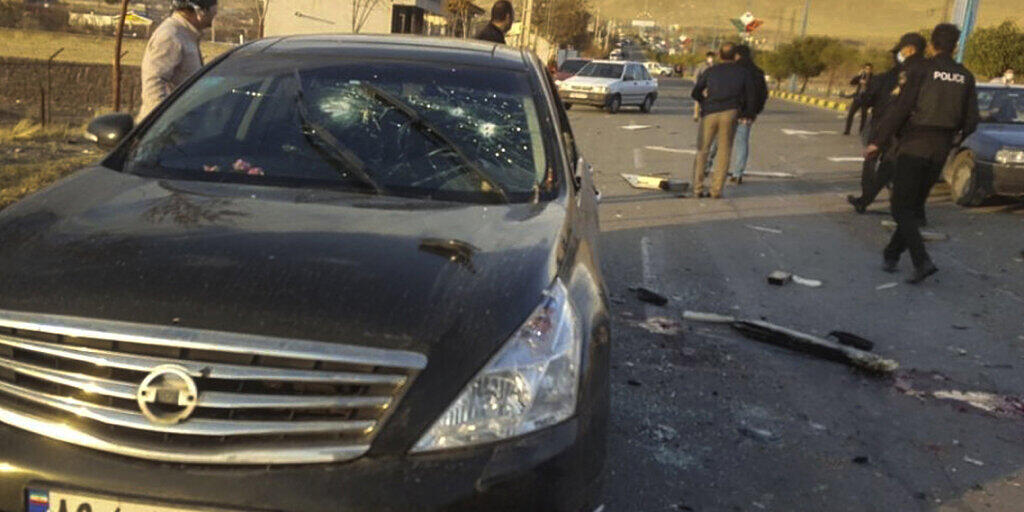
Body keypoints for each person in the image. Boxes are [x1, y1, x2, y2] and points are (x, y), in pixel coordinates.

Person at [866, 23, 979, 284]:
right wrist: (954, 139)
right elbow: (972, 120)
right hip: (941, 147)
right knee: (913, 206)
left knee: (900, 207)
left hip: (914, 144)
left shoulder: (921, 70)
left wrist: (878, 142)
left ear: (931, 45)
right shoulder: (966, 76)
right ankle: (892, 254)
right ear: (956, 46)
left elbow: (901, 109)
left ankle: (921, 260)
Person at [847, 33, 926, 214]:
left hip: (882, 126)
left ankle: (867, 197)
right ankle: (871, 200)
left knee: (872, 161)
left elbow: (869, 100)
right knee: (890, 166)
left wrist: (865, 93)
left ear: (909, 50)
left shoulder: (888, 77)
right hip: (907, 130)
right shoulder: (926, 73)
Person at [691, 43, 756, 199]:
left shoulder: (711, 71)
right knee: (724, 152)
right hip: (730, 113)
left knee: (702, 150)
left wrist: (704, 103)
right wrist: (746, 113)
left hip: (710, 113)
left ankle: (697, 188)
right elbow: (751, 96)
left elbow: (696, 92)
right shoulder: (743, 73)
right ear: (735, 56)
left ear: (719, 55)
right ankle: (716, 190)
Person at [138, 0, 217, 119]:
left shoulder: (186, 34)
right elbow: (153, 83)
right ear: (200, 12)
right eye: (213, 9)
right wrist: (163, 123)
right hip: (167, 132)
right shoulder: (170, 36)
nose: (215, 15)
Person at [727, 44, 768, 184]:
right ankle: (738, 174)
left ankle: (708, 167)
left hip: (730, 110)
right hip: (747, 114)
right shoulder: (758, 72)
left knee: (718, 141)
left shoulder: (734, 69)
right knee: (741, 143)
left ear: (737, 55)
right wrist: (755, 111)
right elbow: (763, 95)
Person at [844, 63, 874, 135]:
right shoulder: (861, 76)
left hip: (865, 99)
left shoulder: (873, 77)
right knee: (851, 114)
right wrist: (858, 76)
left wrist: (866, 83)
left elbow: (874, 86)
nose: (867, 70)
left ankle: (861, 131)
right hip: (858, 97)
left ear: (871, 70)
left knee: (864, 116)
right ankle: (847, 130)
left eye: (869, 69)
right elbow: (852, 82)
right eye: (866, 69)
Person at [692, 51, 715, 122]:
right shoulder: (701, 65)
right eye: (710, 57)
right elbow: (696, 76)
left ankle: (706, 114)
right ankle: (696, 115)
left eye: (712, 57)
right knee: (697, 101)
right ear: (707, 57)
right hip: (702, 86)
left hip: (711, 87)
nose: (711, 59)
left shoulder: (716, 66)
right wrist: (698, 85)